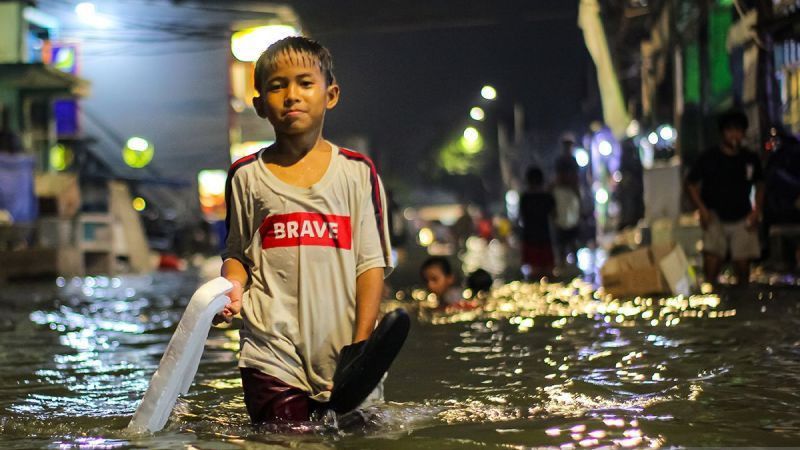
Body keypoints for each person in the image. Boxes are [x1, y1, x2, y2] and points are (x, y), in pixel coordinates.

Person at [218, 36, 392, 424]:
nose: (291, 95)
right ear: (260, 104)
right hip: (270, 351)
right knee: (286, 440)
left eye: (304, 83)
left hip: (345, 349)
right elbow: (238, 255)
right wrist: (229, 290)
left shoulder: (358, 173)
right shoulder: (246, 176)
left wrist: (361, 348)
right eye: (277, 86)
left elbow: (371, 266)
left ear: (330, 95)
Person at [686, 109, 764, 285]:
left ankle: (742, 303)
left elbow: (760, 184)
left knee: (743, 268)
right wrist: (702, 209)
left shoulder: (750, 158)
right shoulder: (709, 157)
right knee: (711, 265)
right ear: (723, 133)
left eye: (738, 130)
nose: (734, 135)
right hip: (715, 216)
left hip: (742, 216)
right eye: (730, 130)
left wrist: (756, 210)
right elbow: (690, 184)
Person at [518, 166, 555, 280]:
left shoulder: (525, 198)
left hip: (530, 238)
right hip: (544, 237)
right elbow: (554, 215)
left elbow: (522, 217)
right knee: (549, 274)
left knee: (533, 274)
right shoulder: (547, 197)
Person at [552, 134, 582, 265]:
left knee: (572, 231)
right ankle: (563, 260)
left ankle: (572, 260)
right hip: (563, 196)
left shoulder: (573, 161)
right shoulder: (561, 161)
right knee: (563, 232)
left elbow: (576, 179)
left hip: (570, 197)